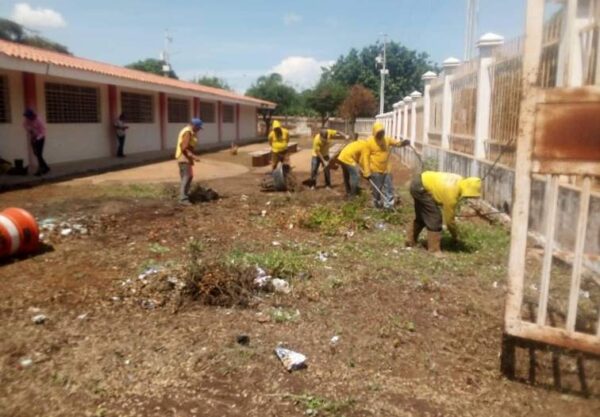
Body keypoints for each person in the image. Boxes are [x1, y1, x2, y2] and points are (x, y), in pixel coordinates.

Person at [406, 171, 481, 254]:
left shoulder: (460, 180)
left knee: (423, 216)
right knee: (434, 217)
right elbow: (449, 221)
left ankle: (410, 241)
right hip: (421, 188)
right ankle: (434, 250)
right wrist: (455, 235)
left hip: (419, 181)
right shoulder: (451, 195)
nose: (468, 197)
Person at [362, 122, 409, 209]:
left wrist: (403, 143)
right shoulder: (368, 142)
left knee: (389, 188)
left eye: (382, 132)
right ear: (374, 133)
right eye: (378, 133)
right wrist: (367, 172)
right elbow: (365, 157)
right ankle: (377, 205)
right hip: (375, 170)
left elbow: (396, 143)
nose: (380, 135)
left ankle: (388, 206)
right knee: (377, 189)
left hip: (387, 169)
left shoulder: (386, 139)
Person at [175, 118, 203, 205]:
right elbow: (183, 147)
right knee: (188, 176)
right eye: (198, 128)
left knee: (186, 177)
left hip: (184, 157)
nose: (199, 130)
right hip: (184, 157)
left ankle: (184, 195)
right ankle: (183, 199)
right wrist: (193, 156)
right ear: (194, 126)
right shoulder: (188, 132)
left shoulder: (189, 131)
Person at [23, 109, 50, 176]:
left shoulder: (38, 120)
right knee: (36, 153)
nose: (27, 118)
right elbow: (24, 125)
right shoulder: (27, 120)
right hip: (33, 138)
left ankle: (41, 169)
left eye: (28, 116)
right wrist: (29, 129)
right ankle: (46, 167)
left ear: (32, 115)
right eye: (26, 116)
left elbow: (43, 131)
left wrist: (37, 138)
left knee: (39, 154)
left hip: (40, 138)